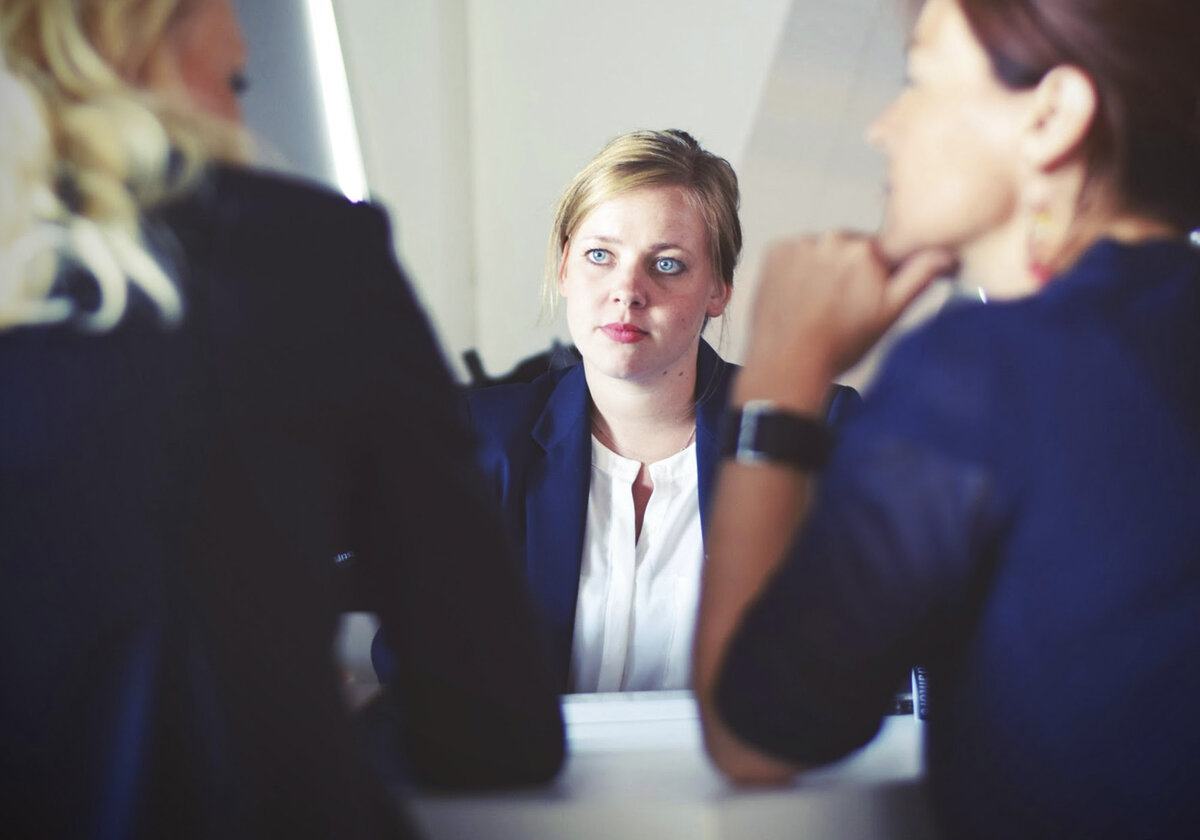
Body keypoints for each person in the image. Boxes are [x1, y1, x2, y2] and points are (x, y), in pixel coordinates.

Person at [0, 1, 563, 837]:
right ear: (139, 33)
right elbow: (495, 720)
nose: (239, 106)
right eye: (236, 79)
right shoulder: (301, 258)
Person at [694, 0, 1200, 837]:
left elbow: (754, 732)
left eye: (917, 80)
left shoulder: (982, 372)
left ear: (1052, 116)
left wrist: (782, 372)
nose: (882, 130)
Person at [459, 129, 858, 693]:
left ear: (718, 289)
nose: (627, 290)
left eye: (667, 265)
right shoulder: (481, 440)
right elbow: (418, 674)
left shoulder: (816, 431)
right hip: (533, 780)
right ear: (564, 268)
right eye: (601, 256)